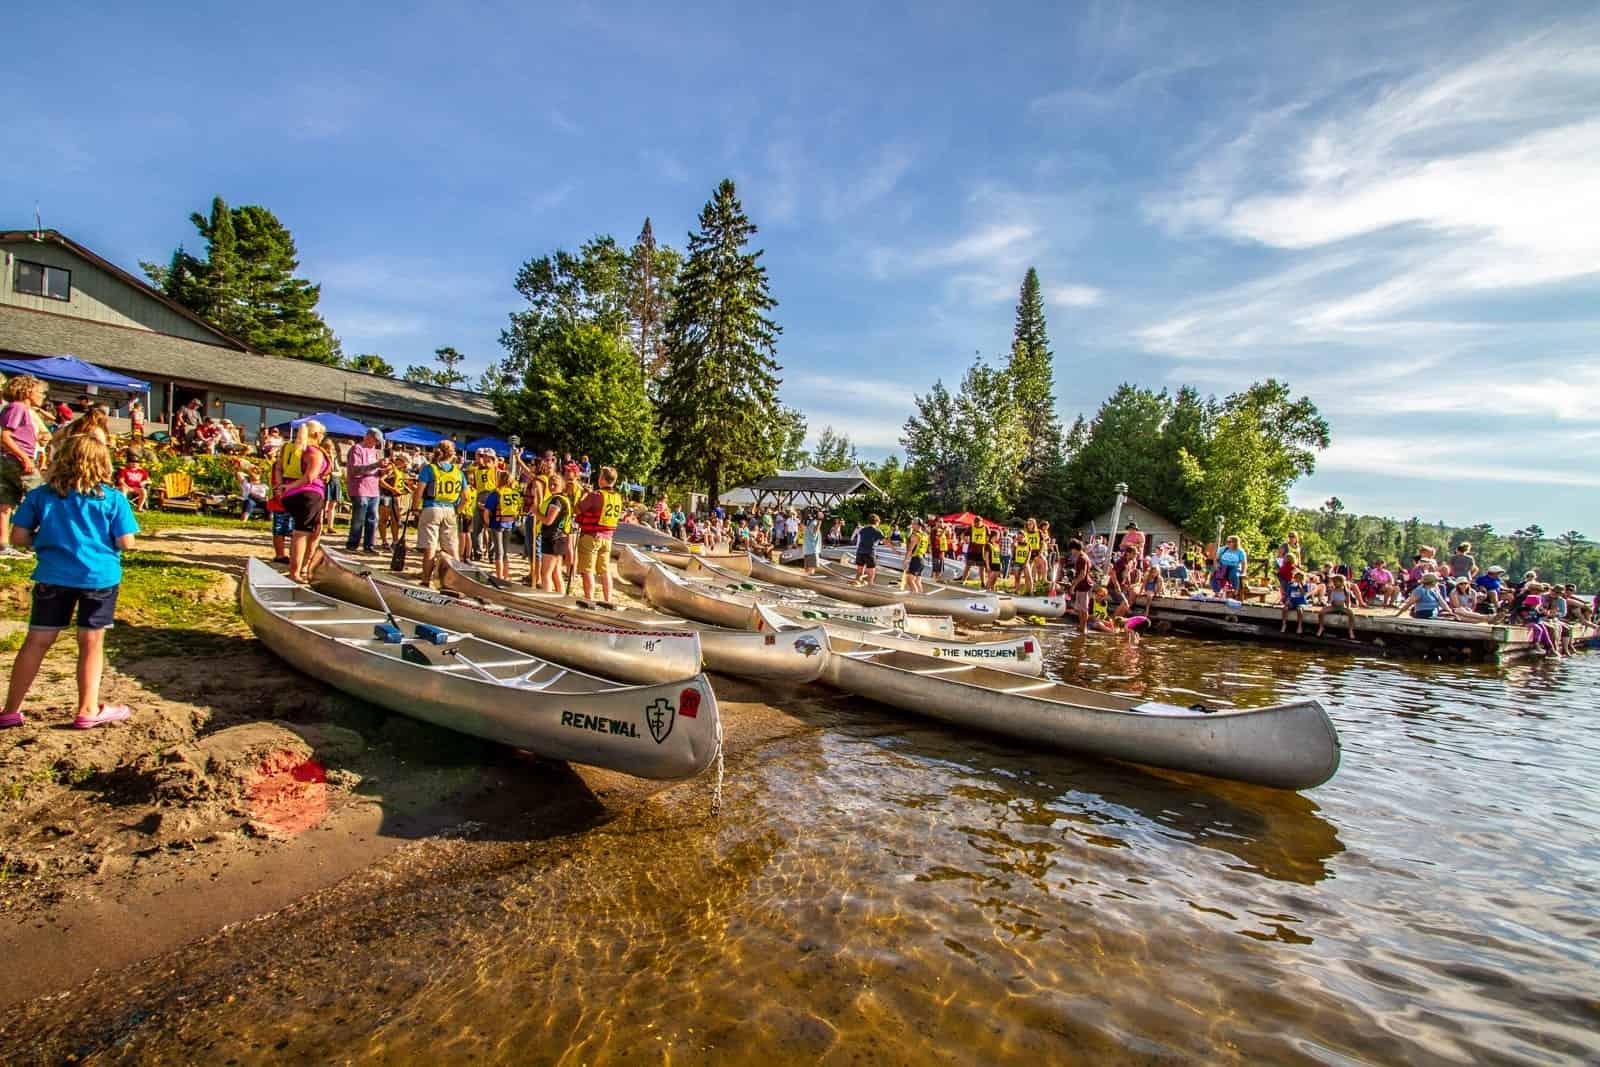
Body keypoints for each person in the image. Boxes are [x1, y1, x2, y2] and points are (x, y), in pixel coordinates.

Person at [1, 434, 139, 731]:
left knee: (37, 641)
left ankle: (11, 710)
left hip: (53, 575)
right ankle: (88, 709)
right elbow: (126, 542)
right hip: (98, 577)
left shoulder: (41, 496)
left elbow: (19, 538)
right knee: (91, 643)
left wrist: (49, 541)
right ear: (103, 463)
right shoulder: (113, 499)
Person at [0, 376, 46, 558]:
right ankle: (34, 541)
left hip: (8, 459)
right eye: (40, 392)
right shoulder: (18, 407)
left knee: (5, 502)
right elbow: (5, 436)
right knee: (42, 496)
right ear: (28, 392)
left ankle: (3, 545)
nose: (43, 396)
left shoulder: (17, 409)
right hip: (16, 460)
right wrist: (25, 458)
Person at [278, 420, 328, 583]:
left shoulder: (288, 448)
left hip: (290, 495)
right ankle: (297, 572)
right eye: (322, 434)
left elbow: (278, 468)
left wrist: (282, 486)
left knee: (312, 531)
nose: (322, 437)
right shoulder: (314, 451)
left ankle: (303, 568)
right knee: (302, 533)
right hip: (309, 494)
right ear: (316, 434)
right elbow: (310, 476)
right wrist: (291, 486)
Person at [412, 441, 463, 586]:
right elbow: (465, 497)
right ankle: (456, 581)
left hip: (432, 507)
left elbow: (419, 491)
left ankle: (426, 580)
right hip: (450, 509)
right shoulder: (458, 472)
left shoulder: (430, 469)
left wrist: (416, 508)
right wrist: (456, 511)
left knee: (430, 547)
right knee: (452, 549)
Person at [574, 465, 623, 607]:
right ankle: (608, 600)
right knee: (604, 570)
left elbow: (578, 509)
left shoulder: (596, 495)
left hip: (591, 536)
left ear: (602, 479)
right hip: (608, 538)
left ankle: (589, 600)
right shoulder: (618, 497)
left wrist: (584, 494)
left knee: (587, 570)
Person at [486, 469, 523, 582]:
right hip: (509, 523)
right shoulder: (515, 493)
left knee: (499, 551)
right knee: (505, 551)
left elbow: (486, 512)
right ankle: (506, 575)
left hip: (497, 523)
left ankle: (499, 576)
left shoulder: (496, 493)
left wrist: (488, 524)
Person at [537, 472, 571, 593]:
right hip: (559, 538)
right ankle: (561, 598)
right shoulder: (563, 499)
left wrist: (536, 512)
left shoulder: (557, 500)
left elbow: (548, 520)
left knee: (545, 574)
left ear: (562, 486)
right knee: (556, 573)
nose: (551, 487)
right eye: (550, 484)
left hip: (553, 539)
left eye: (555, 485)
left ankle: (547, 599)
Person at [467, 449, 500, 562]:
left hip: (492, 495)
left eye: (487, 457)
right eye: (482, 456)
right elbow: (474, 483)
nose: (484, 459)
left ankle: (492, 555)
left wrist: (491, 458)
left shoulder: (494, 469)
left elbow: (495, 463)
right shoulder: (476, 470)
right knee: (477, 528)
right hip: (480, 495)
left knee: (492, 528)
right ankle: (478, 553)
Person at [378, 455, 409, 551]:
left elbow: (399, 484)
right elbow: (381, 481)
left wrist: (407, 488)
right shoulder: (391, 468)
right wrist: (392, 489)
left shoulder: (400, 471)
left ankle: (395, 541)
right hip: (386, 496)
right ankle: (384, 541)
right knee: (384, 519)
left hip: (395, 497)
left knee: (395, 520)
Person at [1315, 573, 1358, 640]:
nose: (1334, 583)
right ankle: (1321, 627)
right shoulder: (1332, 590)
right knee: (1321, 612)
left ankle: (1350, 630)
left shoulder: (1346, 591)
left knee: (1351, 613)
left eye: (1336, 581)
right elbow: (1330, 601)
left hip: (1342, 607)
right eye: (1334, 581)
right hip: (1333, 606)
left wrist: (1348, 608)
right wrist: (1326, 604)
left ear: (1341, 582)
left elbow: (1348, 602)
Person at [1064, 539, 1093, 632]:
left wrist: (1073, 585)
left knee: (1084, 608)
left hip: (1084, 586)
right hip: (1082, 586)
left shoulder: (1082, 558)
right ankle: (1081, 625)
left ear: (1075, 549)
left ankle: (1084, 627)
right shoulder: (1084, 556)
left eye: (1071, 550)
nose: (1071, 552)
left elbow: (1082, 574)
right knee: (1080, 608)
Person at [852, 515, 887, 584]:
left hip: (860, 552)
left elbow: (865, 538)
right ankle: (869, 588)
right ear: (876, 522)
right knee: (871, 574)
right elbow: (884, 541)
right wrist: (895, 550)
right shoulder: (877, 531)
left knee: (859, 573)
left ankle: (857, 586)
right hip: (869, 553)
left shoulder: (863, 530)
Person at [903, 519, 930, 593]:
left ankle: (915, 597)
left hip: (916, 559)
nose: (911, 525)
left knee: (909, 580)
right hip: (922, 560)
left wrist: (906, 560)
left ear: (917, 525)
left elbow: (910, 549)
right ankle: (921, 597)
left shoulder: (915, 535)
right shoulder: (925, 535)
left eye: (913, 523)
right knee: (917, 581)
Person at [959, 518, 989, 585]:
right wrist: (964, 540)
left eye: (978, 523)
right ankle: (963, 581)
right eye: (975, 523)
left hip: (981, 550)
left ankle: (983, 583)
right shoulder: (971, 527)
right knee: (968, 566)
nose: (976, 524)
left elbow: (987, 538)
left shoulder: (986, 528)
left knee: (981, 567)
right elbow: (963, 534)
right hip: (972, 550)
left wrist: (987, 546)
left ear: (981, 522)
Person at [1280, 570, 1309, 634]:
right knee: (1285, 608)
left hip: (1301, 602)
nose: (1298, 579)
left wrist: (1300, 587)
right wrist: (1288, 601)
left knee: (1300, 609)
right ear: (1294, 578)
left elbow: (1304, 594)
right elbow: (1288, 595)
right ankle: (1284, 624)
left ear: (1302, 579)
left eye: (1300, 578)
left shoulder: (1305, 585)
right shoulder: (1290, 585)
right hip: (1292, 602)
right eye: (1296, 578)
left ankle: (1299, 626)